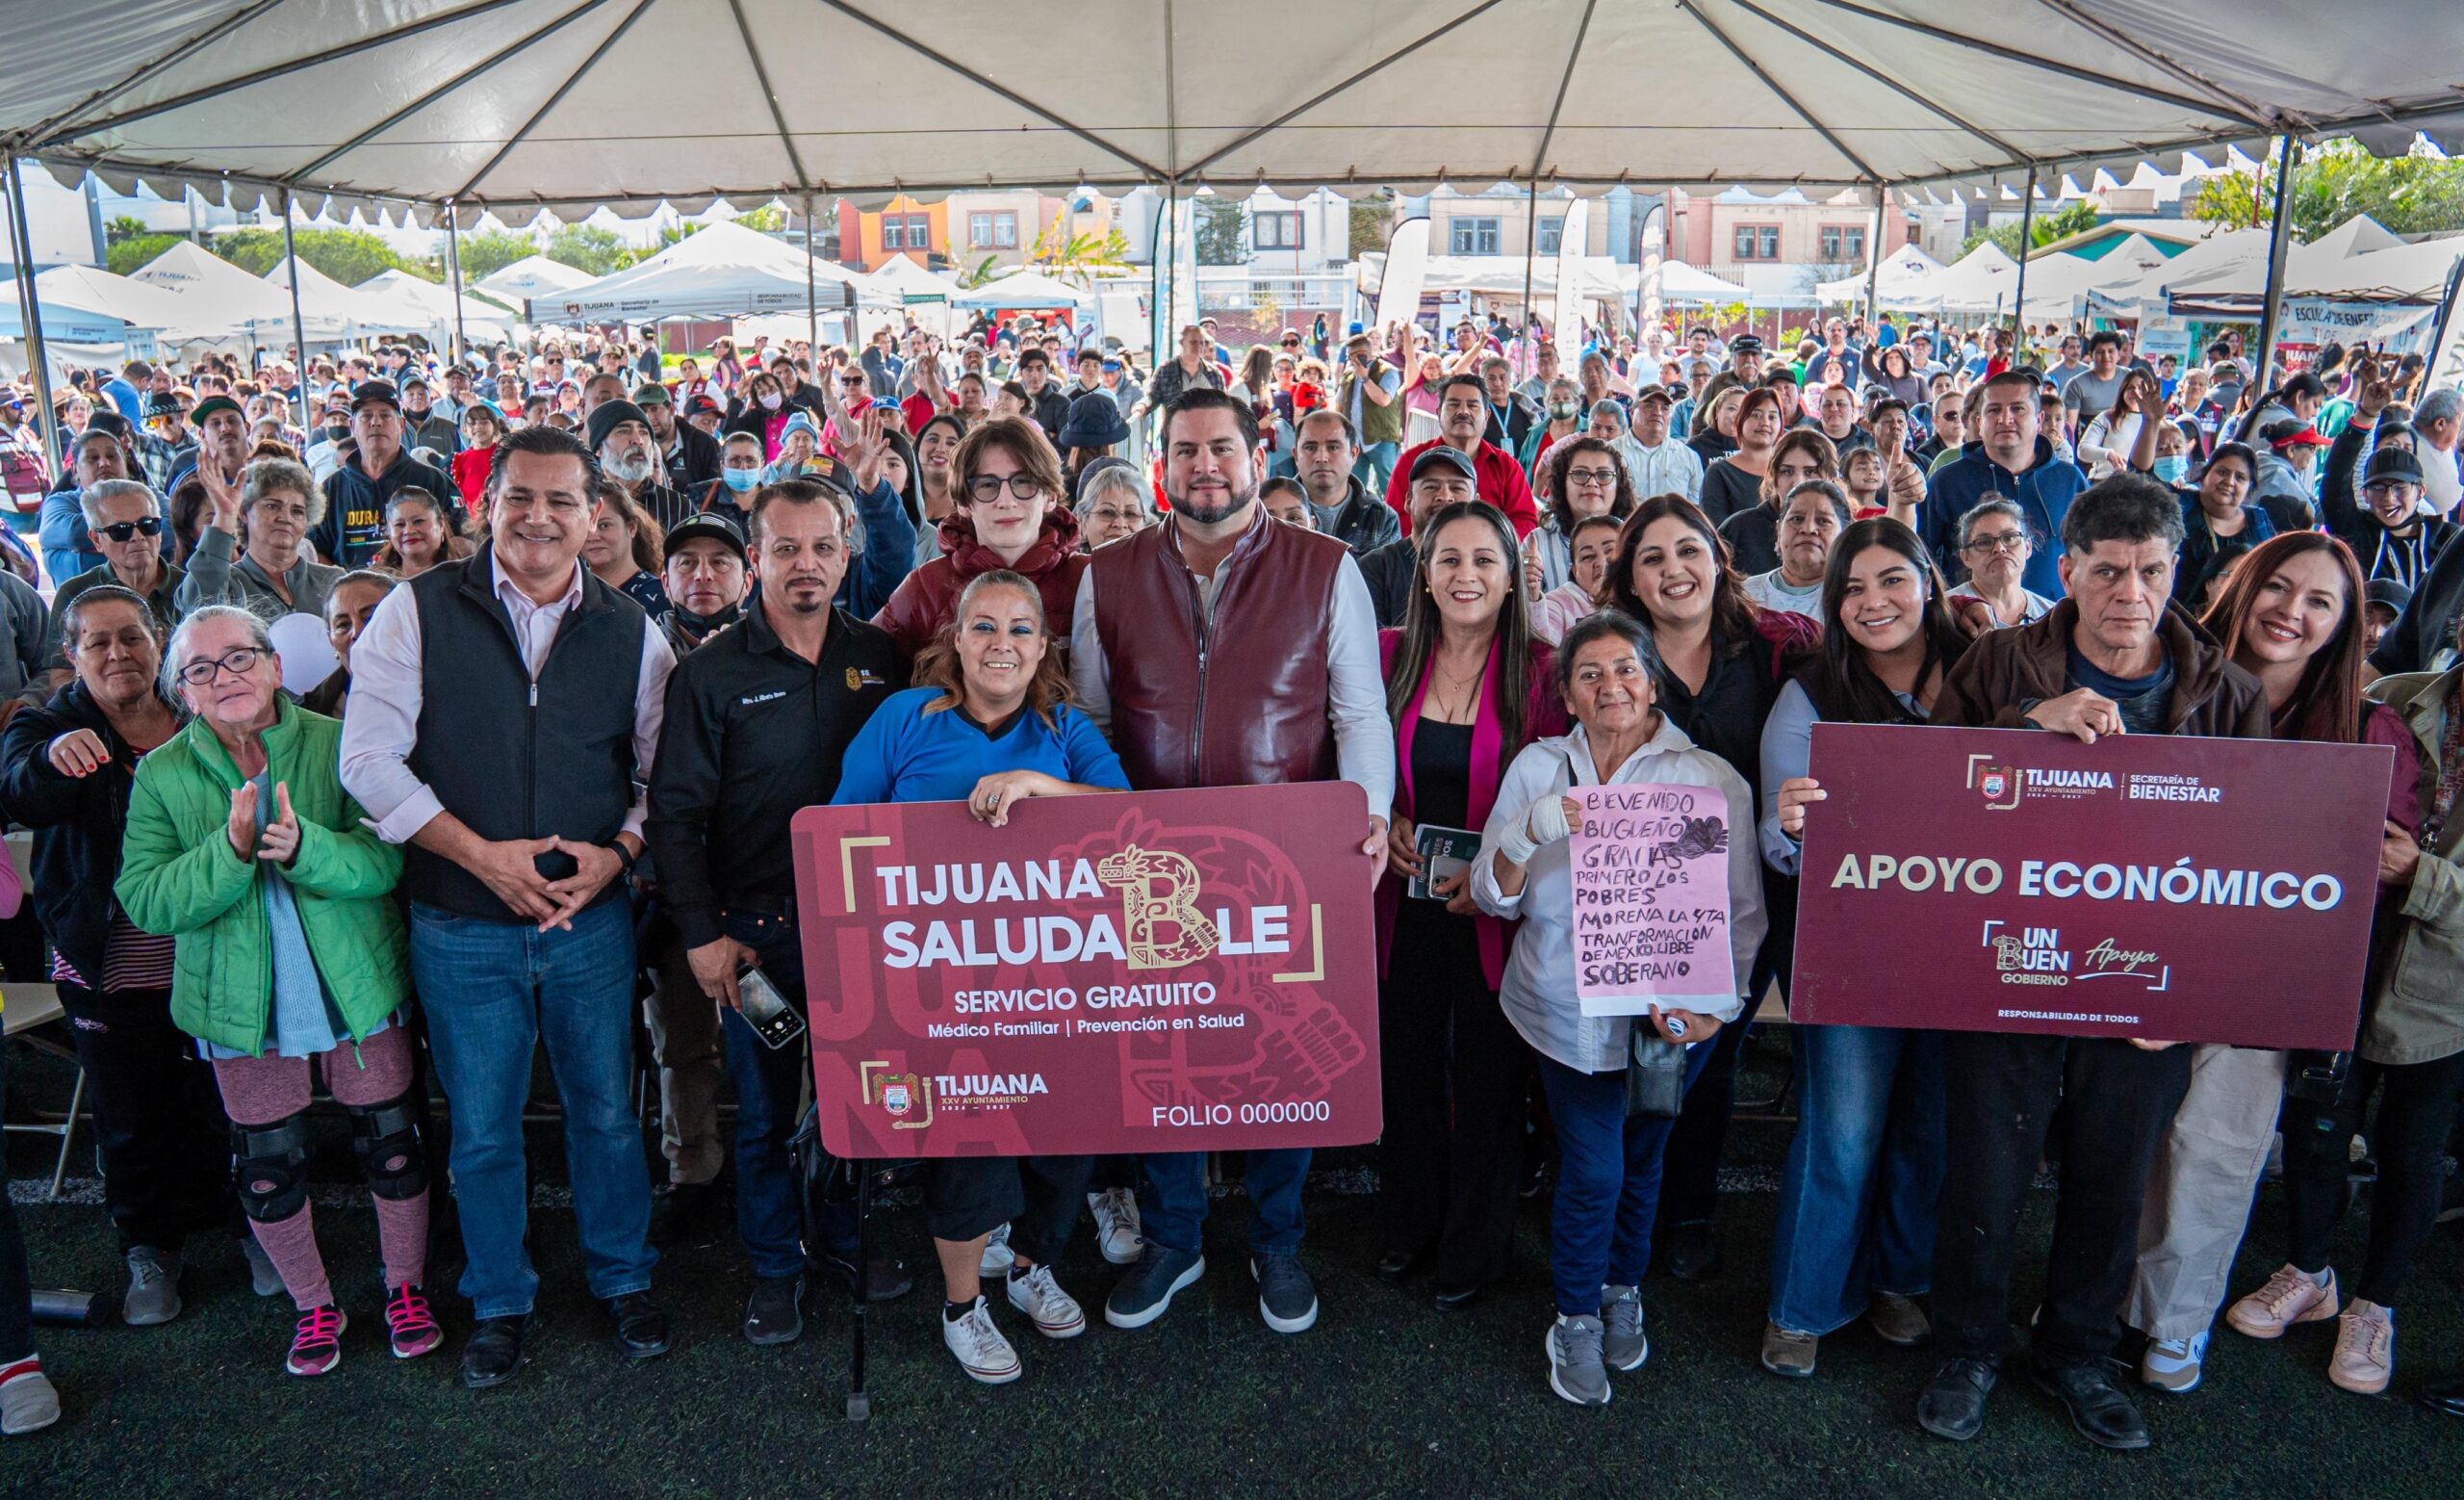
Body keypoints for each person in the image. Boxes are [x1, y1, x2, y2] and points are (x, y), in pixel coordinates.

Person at [1917, 476, 2270, 1453]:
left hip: (2144, 993)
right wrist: (2024, 727)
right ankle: (1969, 1347)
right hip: (2004, 970)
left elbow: (2251, 864)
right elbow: (1925, 796)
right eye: (2106, 570)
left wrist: (2192, 994)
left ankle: (2075, 1350)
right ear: (2063, 569)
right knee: (1984, 1174)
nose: (2128, 591)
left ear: (2176, 573)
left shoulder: (2226, 693)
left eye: (2150, 570)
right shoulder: (1996, 663)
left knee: (2113, 1180)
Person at [338, 425, 678, 1389]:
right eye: (518, 496)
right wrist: (479, 857)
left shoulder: (629, 629)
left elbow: (662, 776)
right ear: (485, 506)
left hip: (590, 924)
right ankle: (499, 1297)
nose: (538, 516)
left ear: (593, 515)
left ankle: (622, 1277)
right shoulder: (415, 610)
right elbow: (364, 761)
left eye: (561, 500)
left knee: (607, 1114)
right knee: (481, 1126)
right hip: (459, 923)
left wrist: (618, 857)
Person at [1071, 387, 1394, 1335]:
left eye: (1221, 447)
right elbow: (1090, 720)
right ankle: (1174, 1238)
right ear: (1160, 460)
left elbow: (1357, 713)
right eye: (1184, 449)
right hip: (1149, 862)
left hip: (1282, 860)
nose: (1203, 464)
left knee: (1281, 1049)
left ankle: (1276, 1237)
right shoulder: (1109, 574)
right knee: (1158, 1052)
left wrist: (1368, 815)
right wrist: (1094, 833)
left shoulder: (1326, 567)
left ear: (1258, 455)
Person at [2120, 532, 2413, 1394]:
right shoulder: (2167, 678)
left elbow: (2371, 875)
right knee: (2125, 1142)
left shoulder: (2368, 727)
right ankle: (2099, 1299)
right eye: (2278, 588)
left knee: (2216, 1146)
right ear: (2242, 589)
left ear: (2346, 625)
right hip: (2141, 958)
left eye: (2320, 602)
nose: (2291, 611)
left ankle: (2174, 1324)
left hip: (2263, 981)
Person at [115, 606, 437, 1377]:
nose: (222, 677)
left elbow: (387, 863)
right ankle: (313, 1305)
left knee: (394, 1149)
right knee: (268, 1166)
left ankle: (407, 1289)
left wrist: (308, 848)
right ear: (181, 690)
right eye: (199, 668)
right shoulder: (160, 774)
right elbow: (148, 900)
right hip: (237, 1009)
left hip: (358, 991)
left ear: (274, 666)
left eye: (238, 658)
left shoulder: (337, 744)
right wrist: (228, 854)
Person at [826, 570, 1128, 1380]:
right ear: (954, 639)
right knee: (970, 1149)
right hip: (942, 990)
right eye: (984, 627)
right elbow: (841, 834)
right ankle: (963, 1307)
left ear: (1042, 647)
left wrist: (1037, 786)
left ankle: (1030, 1268)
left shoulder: (1063, 727)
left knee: (1067, 1140)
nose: (1002, 644)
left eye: (1020, 630)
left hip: (1056, 985)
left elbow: (1130, 822)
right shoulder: (904, 719)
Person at [1471, 610, 1764, 1405]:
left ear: (1652, 680)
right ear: (1566, 694)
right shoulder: (1538, 769)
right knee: (1595, 1171)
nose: (1612, 686)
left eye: (1626, 670)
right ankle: (1573, 1314)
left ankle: (1621, 1288)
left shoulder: (1710, 780)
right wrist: (1531, 833)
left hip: (1669, 1022)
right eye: (1591, 674)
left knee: (1643, 1165)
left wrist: (1719, 1010)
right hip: (1563, 1013)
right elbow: (1488, 897)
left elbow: (1741, 915)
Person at [646, 478, 909, 1345]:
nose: (806, 565)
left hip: (869, 932)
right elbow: (676, 817)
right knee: (761, 1114)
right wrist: (703, 937)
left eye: (823, 547)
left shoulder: (884, 659)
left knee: (857, 1104)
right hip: (757, 942)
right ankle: (774, 1266)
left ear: (848, 551)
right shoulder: (710, 674)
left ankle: (844, 1238)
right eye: (786, 549)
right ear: (755, 558)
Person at [0, 586, 256, 1330]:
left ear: (158, 639)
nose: (118, 654)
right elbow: (17, 790)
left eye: (132, 637)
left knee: (227, 1105)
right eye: (98, 643)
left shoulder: (201, 706)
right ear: (72, 657)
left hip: (216, 954)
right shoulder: (53, 724)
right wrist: (51, 760)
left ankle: (254, 1229)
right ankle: (151, 1248)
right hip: (109, 964)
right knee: (131, 1116)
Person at [1755, 517, 1966, 1377]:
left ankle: (1901, 1280)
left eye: (1891, 580)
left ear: (1928, 580)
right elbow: (1776, 841)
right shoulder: (1809, 694)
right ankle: (1801, 1305)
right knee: (1842, 1130)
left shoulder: (1989, 674)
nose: (1873, 602)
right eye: (1852, 588)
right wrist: (1794, 824)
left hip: (1964, 947)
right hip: (1851, 951)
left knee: (1930, 1122)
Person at [1599, 495, 1816, 1281]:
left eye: (1687, 551)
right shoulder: (1612, 656)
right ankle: (1623, 1211)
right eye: (1652, 557)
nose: (1673, 570)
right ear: (1629, 576)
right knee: (1639, 1056)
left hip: (1744, 903)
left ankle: (1687, 1211)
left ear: (1715, 561)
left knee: (1711, 1058)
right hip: (1632, 897)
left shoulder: (1772, 652)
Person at [1375, 501, 1563, 1308]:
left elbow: (1564, 791)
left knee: (1491, 1079)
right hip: (1402, 900)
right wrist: (1380, 817)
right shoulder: (1387, 657)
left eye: (1484, 560)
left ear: (1513, 577)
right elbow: (1347, 757)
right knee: (1406, 1072)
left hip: (1499, 907)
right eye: (1449, 560)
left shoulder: (1545, 671)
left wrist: (1496, 864)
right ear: (1424, 575)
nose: (1466, 576)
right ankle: (1411, 1225)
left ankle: (1476, 1247)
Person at [874, 416, 1086, 658]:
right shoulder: (926, 587)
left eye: (1024, 482)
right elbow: (865, 669)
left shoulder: (1090, 581)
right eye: (987, 485)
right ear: (964, 503)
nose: (1006, 501)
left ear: (1051, 496)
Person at [1922, 370, 2087, 599]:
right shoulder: (1947, 482)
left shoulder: (2070, 480)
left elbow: (2090, 555)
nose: (2005, 419)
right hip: (1971, 626)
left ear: (2038, 420)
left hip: (2054, 623)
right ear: (1979, 423)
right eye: (1994, 410)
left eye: (2018, 409)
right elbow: (1921, 558)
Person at [38, 478, 183, 694]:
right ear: (96, 540)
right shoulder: (75, 594)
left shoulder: (190, 586)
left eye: (148, 525)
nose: (137, 537)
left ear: (160, 531)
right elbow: (60, 679)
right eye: (120, 530)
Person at [176, 457, 345, 621]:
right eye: (272, 506)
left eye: (297, 511)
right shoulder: (226, 583)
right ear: (243, 513)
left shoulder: (333, 581)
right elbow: (195, 607)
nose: (286, 517)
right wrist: (225, 515)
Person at [314, 382, 451, 569]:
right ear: (353, 426)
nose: (376, 422)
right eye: (366, 416)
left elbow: (460, 542)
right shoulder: (330, 489)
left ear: (402, 425)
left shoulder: (434, 481)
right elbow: (315, 549)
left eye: (385, 415)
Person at [1382, 375, 1538, 538]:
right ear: (1438, 413)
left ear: (1486, 417)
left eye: (1472, 405)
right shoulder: (1411, 461)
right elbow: (1395, 520)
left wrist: (1488, 546)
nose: (1463, 411)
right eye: (1454, 404)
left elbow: (1525, 521)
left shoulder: (1506, 466)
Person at [1718, 427, 1837, 579]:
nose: (1798, 482)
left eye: (1810, 472)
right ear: (1773, 476)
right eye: (1787, 472)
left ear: (1831, 478)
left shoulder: (1846, 531)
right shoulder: (1737, 530)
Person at [2331, 447, 2453, 591]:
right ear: (2364, 494)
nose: (2389, 498)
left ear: (2420, 492)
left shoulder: (2447, 538)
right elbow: (2335, 485)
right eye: (2378, 488)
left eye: (2400, 487)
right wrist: (2357, 430)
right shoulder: (2356, 532)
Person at [1524, 438, 1634, 597]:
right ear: (1563, 483)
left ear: (1619, 484)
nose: (1592, 483)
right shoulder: (1537, 543)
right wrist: (1526, 585)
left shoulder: (1635, 538)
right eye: (1580, 474)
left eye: (1603, 475)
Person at [2171, 442, 2273, 611]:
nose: (2229, 481)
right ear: (2204, 475)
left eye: (2240, 477)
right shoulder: (2180, 506)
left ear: (2249, 488)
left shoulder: (2258, 520)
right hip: (2180, 620)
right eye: (2222, 472)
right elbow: (2141, 473)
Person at [1293, 409, 1400, 556]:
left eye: (1333, 447)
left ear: (1354, 454)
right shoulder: (1269, 511)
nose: (1321, 457)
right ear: (1296, 455)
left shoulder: (1381, 518)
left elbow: (1387, 577)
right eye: (1310, 448)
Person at [1742, 480, 1850, 618]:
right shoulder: (1741, 596)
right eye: (1797, 519)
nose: (1808, 529)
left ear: (1845, 534)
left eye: (1823, 521)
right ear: (1778, 530)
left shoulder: (1854, 598)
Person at [590, 399, 694, 535]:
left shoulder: (677, 505)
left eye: (644, 433)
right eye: (623, 431)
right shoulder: (584, 501)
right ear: (599, 448)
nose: (638, 441)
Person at [1944, 498, 2053, 629]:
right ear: (1966, 557)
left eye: (2010, 537)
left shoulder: (2051, 615)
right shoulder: (1945, 611)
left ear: (2028, 548)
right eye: (1984, 542)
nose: (1999, 548)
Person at [299, 571, 395, 718]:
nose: (357, 633)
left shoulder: (440, 690)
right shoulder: (312, 714)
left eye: (371, 618)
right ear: (331, 642)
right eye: (343, 624)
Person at [582, 479, 669, 620]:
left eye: (604, 525)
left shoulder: (659, 595)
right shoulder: (570, 595)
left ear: (631, 528)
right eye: (585, 526)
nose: (593, 536)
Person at [1698, 387, 1784, 528]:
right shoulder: (1719, 472)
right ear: (1740, 421)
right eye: (1756, 415)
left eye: (1772, 417)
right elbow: (1717, 532)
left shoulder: (1789, 470)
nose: (1765, 423)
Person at [1531, 513, 1621, 647]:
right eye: (1588, 556)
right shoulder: (1559, 603)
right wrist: (1532, 597)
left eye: (1611, 552)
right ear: (1574, 570)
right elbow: (1543, 651)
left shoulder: (1645, 596)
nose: (1601, 563)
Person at [1612, 386, 1704, 505]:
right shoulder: (1611, 453)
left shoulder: (1688, 457)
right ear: (1632, 412)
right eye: (1649, 406)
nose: (1657, 413)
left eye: (1665, 408)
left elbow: (1696, 508)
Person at [368, 487, 472, 580]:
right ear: (390, 533)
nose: (409, 531)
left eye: (418, 521)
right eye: (400, 524)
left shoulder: (466, 576)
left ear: (441, 526)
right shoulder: (377, 585)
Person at [450, 403, 505, 517]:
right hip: (471, 519)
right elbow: (457, 495)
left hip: (499, 514)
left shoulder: (504, 454)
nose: (478, 427)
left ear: (495, 427)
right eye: (472, 423)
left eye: (484, 422)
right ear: (464, 429)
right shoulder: (460, 460)